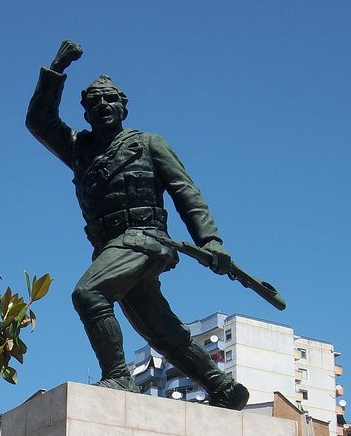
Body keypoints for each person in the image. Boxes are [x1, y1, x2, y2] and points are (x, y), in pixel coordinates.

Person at [26, 40, 249, 410]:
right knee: (159, 329)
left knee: (89, 293)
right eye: (94, 103)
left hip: (146, 241)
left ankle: (118, 376)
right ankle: (220, 385)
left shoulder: (149, 143)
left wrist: (211, 241)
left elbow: (185, 192)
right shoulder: (80, 150)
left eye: (110, 100)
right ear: (85, 113)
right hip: (111, 248)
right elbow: (39, 121)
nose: (103, 106)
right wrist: (57, 69)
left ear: (124, 106)